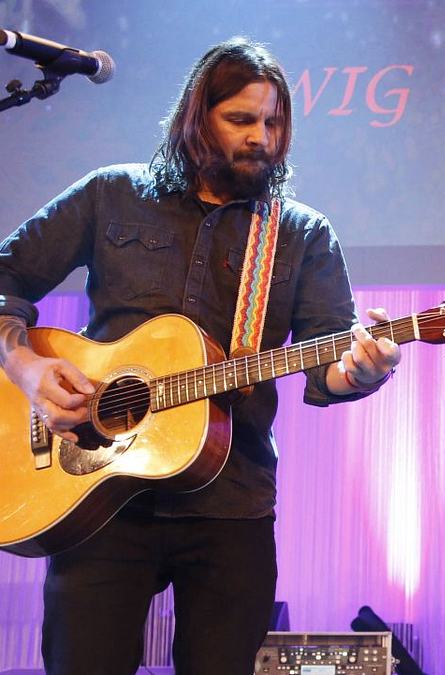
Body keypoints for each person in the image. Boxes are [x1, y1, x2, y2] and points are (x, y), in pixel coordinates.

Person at [0, 38, 400, 674]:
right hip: (93, 493)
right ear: (196, 119)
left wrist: (358, 371)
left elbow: (331, 355)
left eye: (273, 123)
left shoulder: (299, 233)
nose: (260, 139)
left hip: (230, 500)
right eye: (240, 121)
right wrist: (25, 366)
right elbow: (6, 279)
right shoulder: (111, 195)